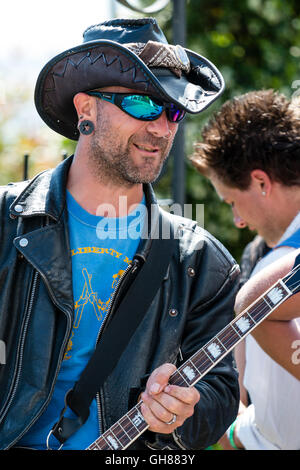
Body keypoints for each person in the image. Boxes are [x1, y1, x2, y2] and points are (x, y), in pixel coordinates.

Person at [0, 18, 240, 451]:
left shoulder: (202, 260)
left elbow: (220, 397)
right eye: (144, 105)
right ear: (85, 108)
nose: (163, 129)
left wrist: (181, 411)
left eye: (173, 111)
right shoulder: (6, 222)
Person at [191, 89, 300, 450]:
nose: (237, 220)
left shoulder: (272, 269)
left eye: (233, 202)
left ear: (261, 183)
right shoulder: (263, 257)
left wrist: (237, 432)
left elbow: (280, 428)